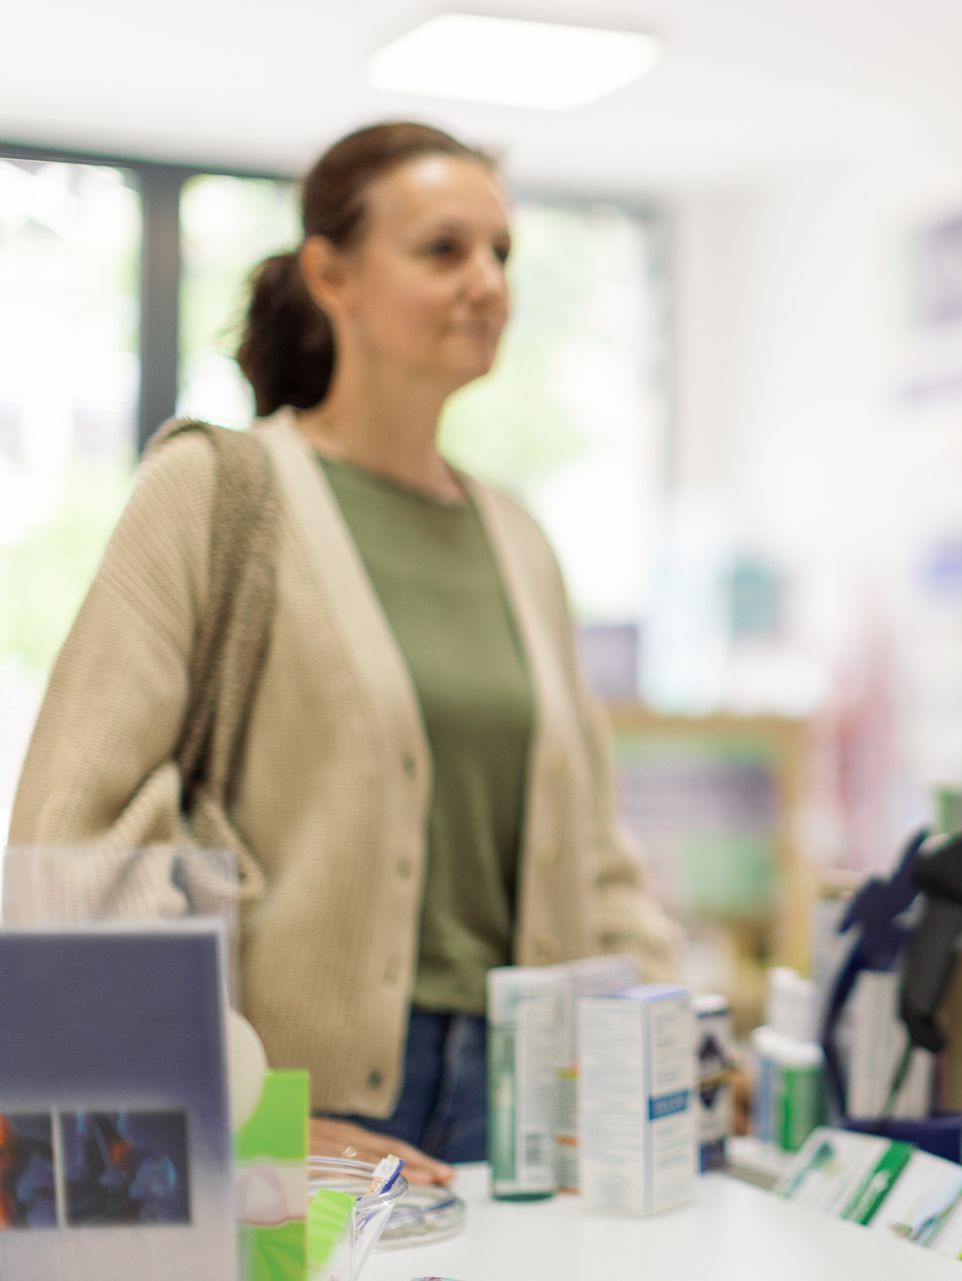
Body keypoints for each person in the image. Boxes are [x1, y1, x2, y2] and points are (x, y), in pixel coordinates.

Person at [10, 122, 682, 1181]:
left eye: (501, 254)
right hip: (290, 1096)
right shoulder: (218, 490)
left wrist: (679, 1045)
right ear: (331, 273)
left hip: (524, 1110)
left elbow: (594, 853)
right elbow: (72, 829)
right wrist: (230, 1110)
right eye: (443, 250)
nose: (486, 282)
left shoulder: (519, 539)